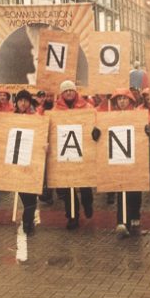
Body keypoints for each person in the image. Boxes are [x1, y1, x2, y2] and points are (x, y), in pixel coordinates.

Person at [100, 87, 143, 239]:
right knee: (121, 189)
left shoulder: (138, 115)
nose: (122, 101)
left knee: (134, 190)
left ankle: (134, 213)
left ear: (130, 100)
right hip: (118, 156)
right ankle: (122, 222)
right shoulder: (111, 116)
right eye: (119, 99)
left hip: (135, 156)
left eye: (124, 98)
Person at [53, 80, 95, 230]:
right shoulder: (56, 111)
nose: (69, 93)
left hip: (83, 150)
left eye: (71, 90)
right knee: (68, 186)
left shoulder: (88, 107)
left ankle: (88, 203)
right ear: (62, 93)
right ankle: (72, 215)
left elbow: (94, 124)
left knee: (84, 185)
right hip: (65, 152)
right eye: (66, 91)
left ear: (75, 92)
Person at [13, 89, 40, 235]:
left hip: (31, 161)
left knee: (31, 195)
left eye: (26, 100)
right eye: (20, 100)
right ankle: (28, 220)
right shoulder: (9, 118)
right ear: (17, 102)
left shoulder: (36, 118)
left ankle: (27, 221)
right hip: (17, 161)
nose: (23, 103)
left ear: (29, 102)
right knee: (24, 194)